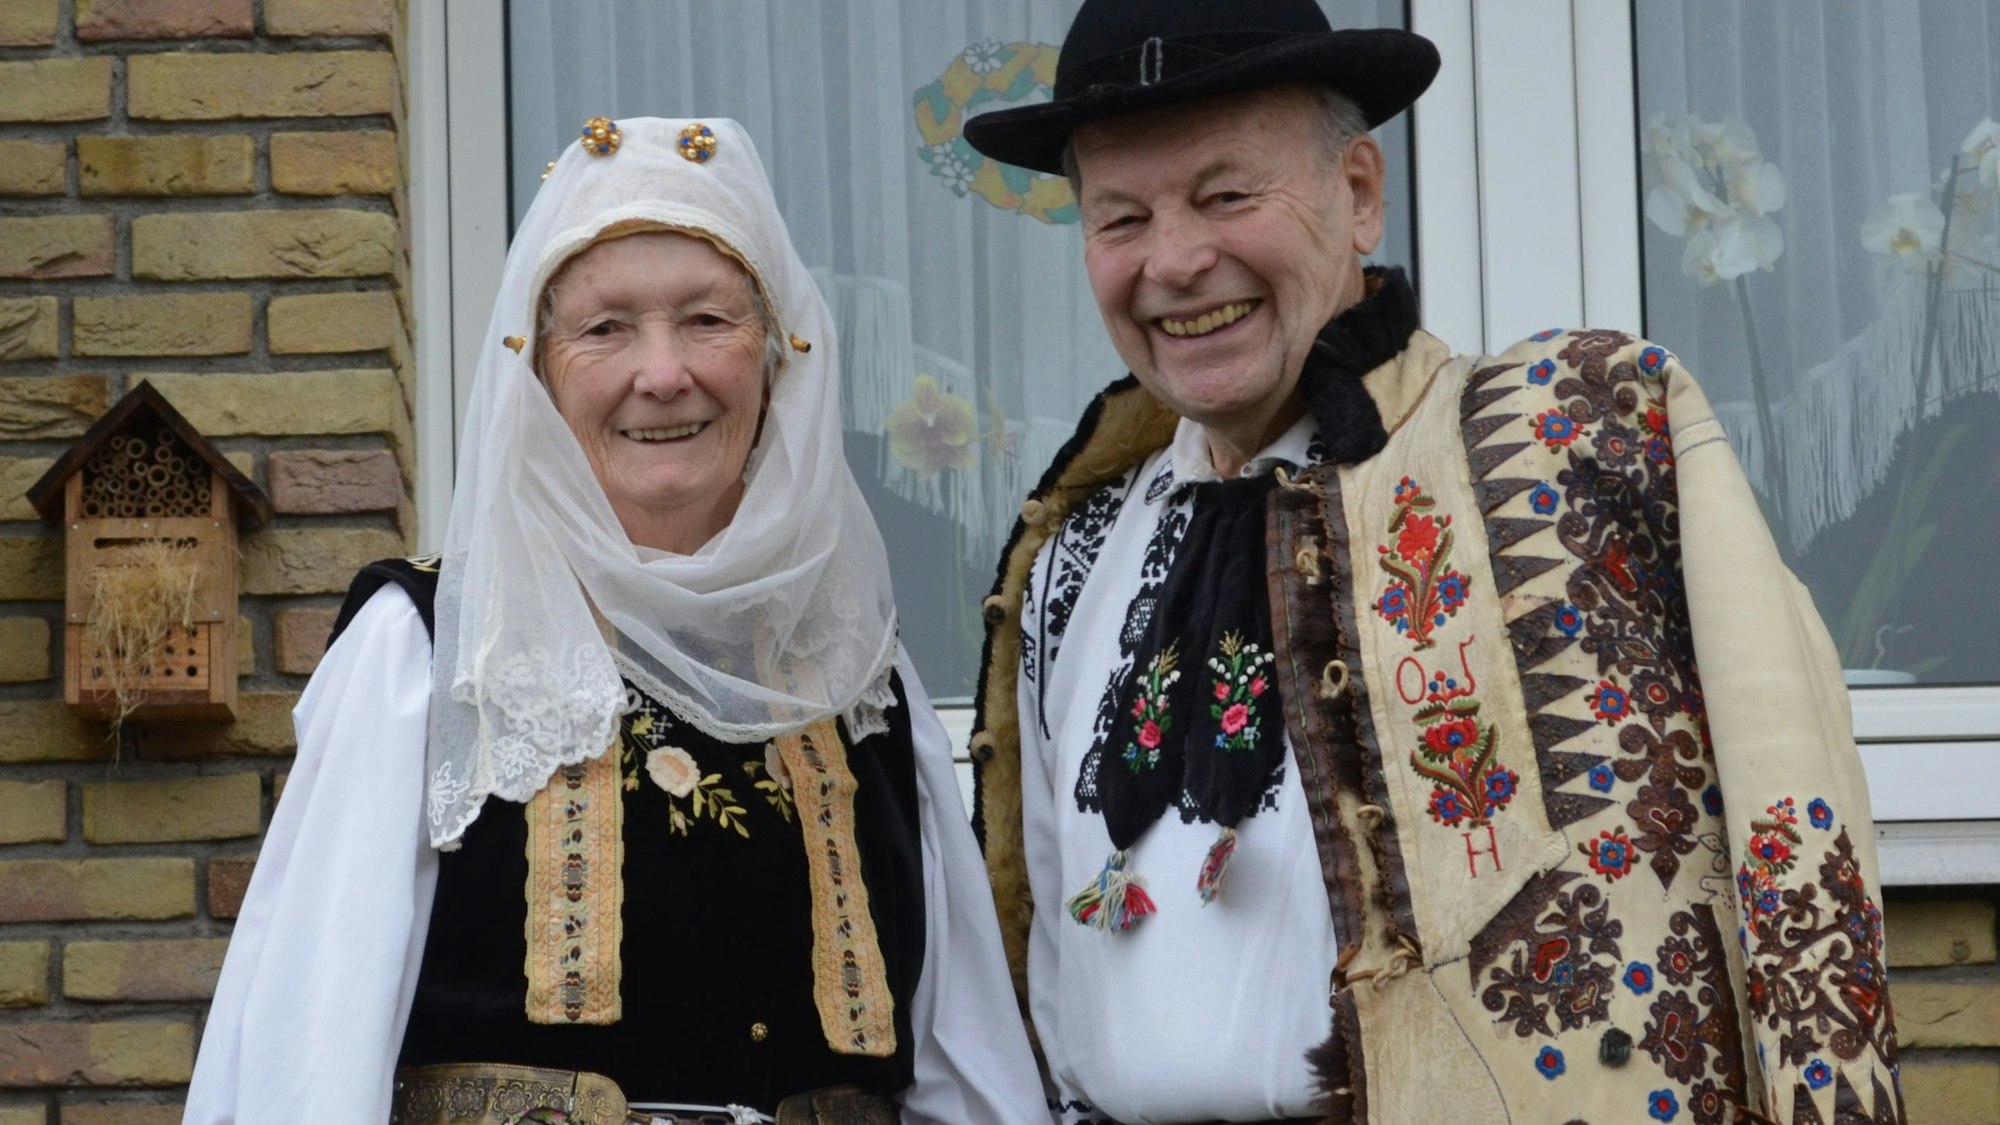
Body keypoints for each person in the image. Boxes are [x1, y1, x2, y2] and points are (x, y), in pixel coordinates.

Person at [960, 2, 1904, 1123]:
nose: (1173, 261)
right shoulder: (1067, 557)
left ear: (1358, 193)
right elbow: (1039, 991)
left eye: (1224, 195)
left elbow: (1788, 816)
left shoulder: (1581, 444)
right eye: (1120, 219)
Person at [184, 117, 1045, 1125]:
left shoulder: (856, 674)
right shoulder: (429, 646)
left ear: (776, 363)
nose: (664, 372)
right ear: (538, 371)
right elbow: (309, 1045)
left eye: (709, 321)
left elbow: (965, 1069)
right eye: (605, 329)